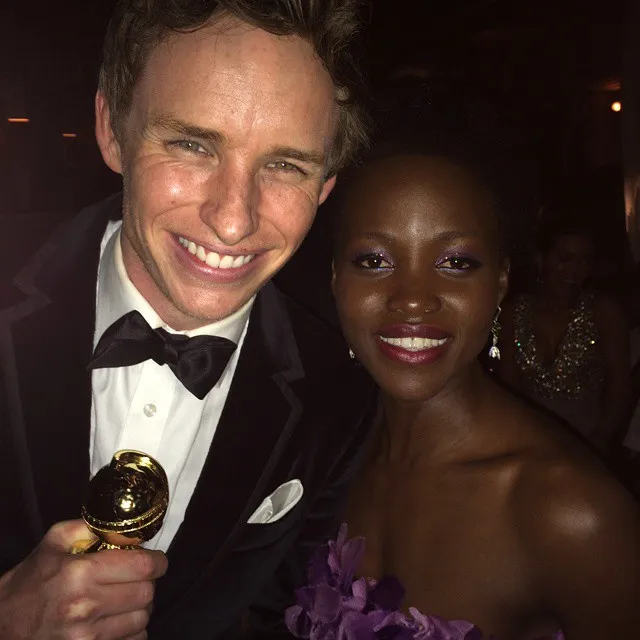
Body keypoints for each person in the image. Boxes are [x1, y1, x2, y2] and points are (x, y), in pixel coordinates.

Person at [0, 1, 376, 638]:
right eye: (192, 145)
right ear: (113, 129)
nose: (232, 220)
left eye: (285, 165)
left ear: (325, 186)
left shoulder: (340, 401)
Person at [329, 120, 640, 639]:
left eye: (455, 262)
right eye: (374, 260)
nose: (412, 299)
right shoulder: (326, 463)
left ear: (499, 283)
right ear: (336, 279)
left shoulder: (571, 512)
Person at [499, 221, 631, 448]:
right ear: (541, 260)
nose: (574, 271)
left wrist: (599, 439)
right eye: (565, 259)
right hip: (528, 435)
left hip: (588, 437)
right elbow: (507, 385)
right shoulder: (513, 313)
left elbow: (620, 384)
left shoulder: (602, 311)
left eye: (584, 261)